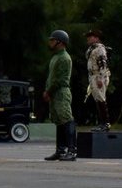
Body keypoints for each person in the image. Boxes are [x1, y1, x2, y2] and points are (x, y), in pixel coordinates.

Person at [43, 31, 76, 161]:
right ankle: (60, 150)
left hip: (61, 92)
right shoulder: (56, 56)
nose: (50, 42)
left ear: (60, 42)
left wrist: (48, 91)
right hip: (54, 92)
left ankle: (72, 150)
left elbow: (60, 79)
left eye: (52, 40)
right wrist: (49, 90)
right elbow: (52, 78)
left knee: (66, 119)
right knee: (59, 121)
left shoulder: (64, 58)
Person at [84, 30, 111, 131]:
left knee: (100, 98)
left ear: (96, 38)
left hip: (98, 75)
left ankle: (105, 123)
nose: (88, 38)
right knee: (97, 99)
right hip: (92, 76)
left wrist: (100, 78)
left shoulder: (100, 49)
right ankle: (102, 122)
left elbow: (103, 64)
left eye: (90, 37)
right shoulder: (92, 49)